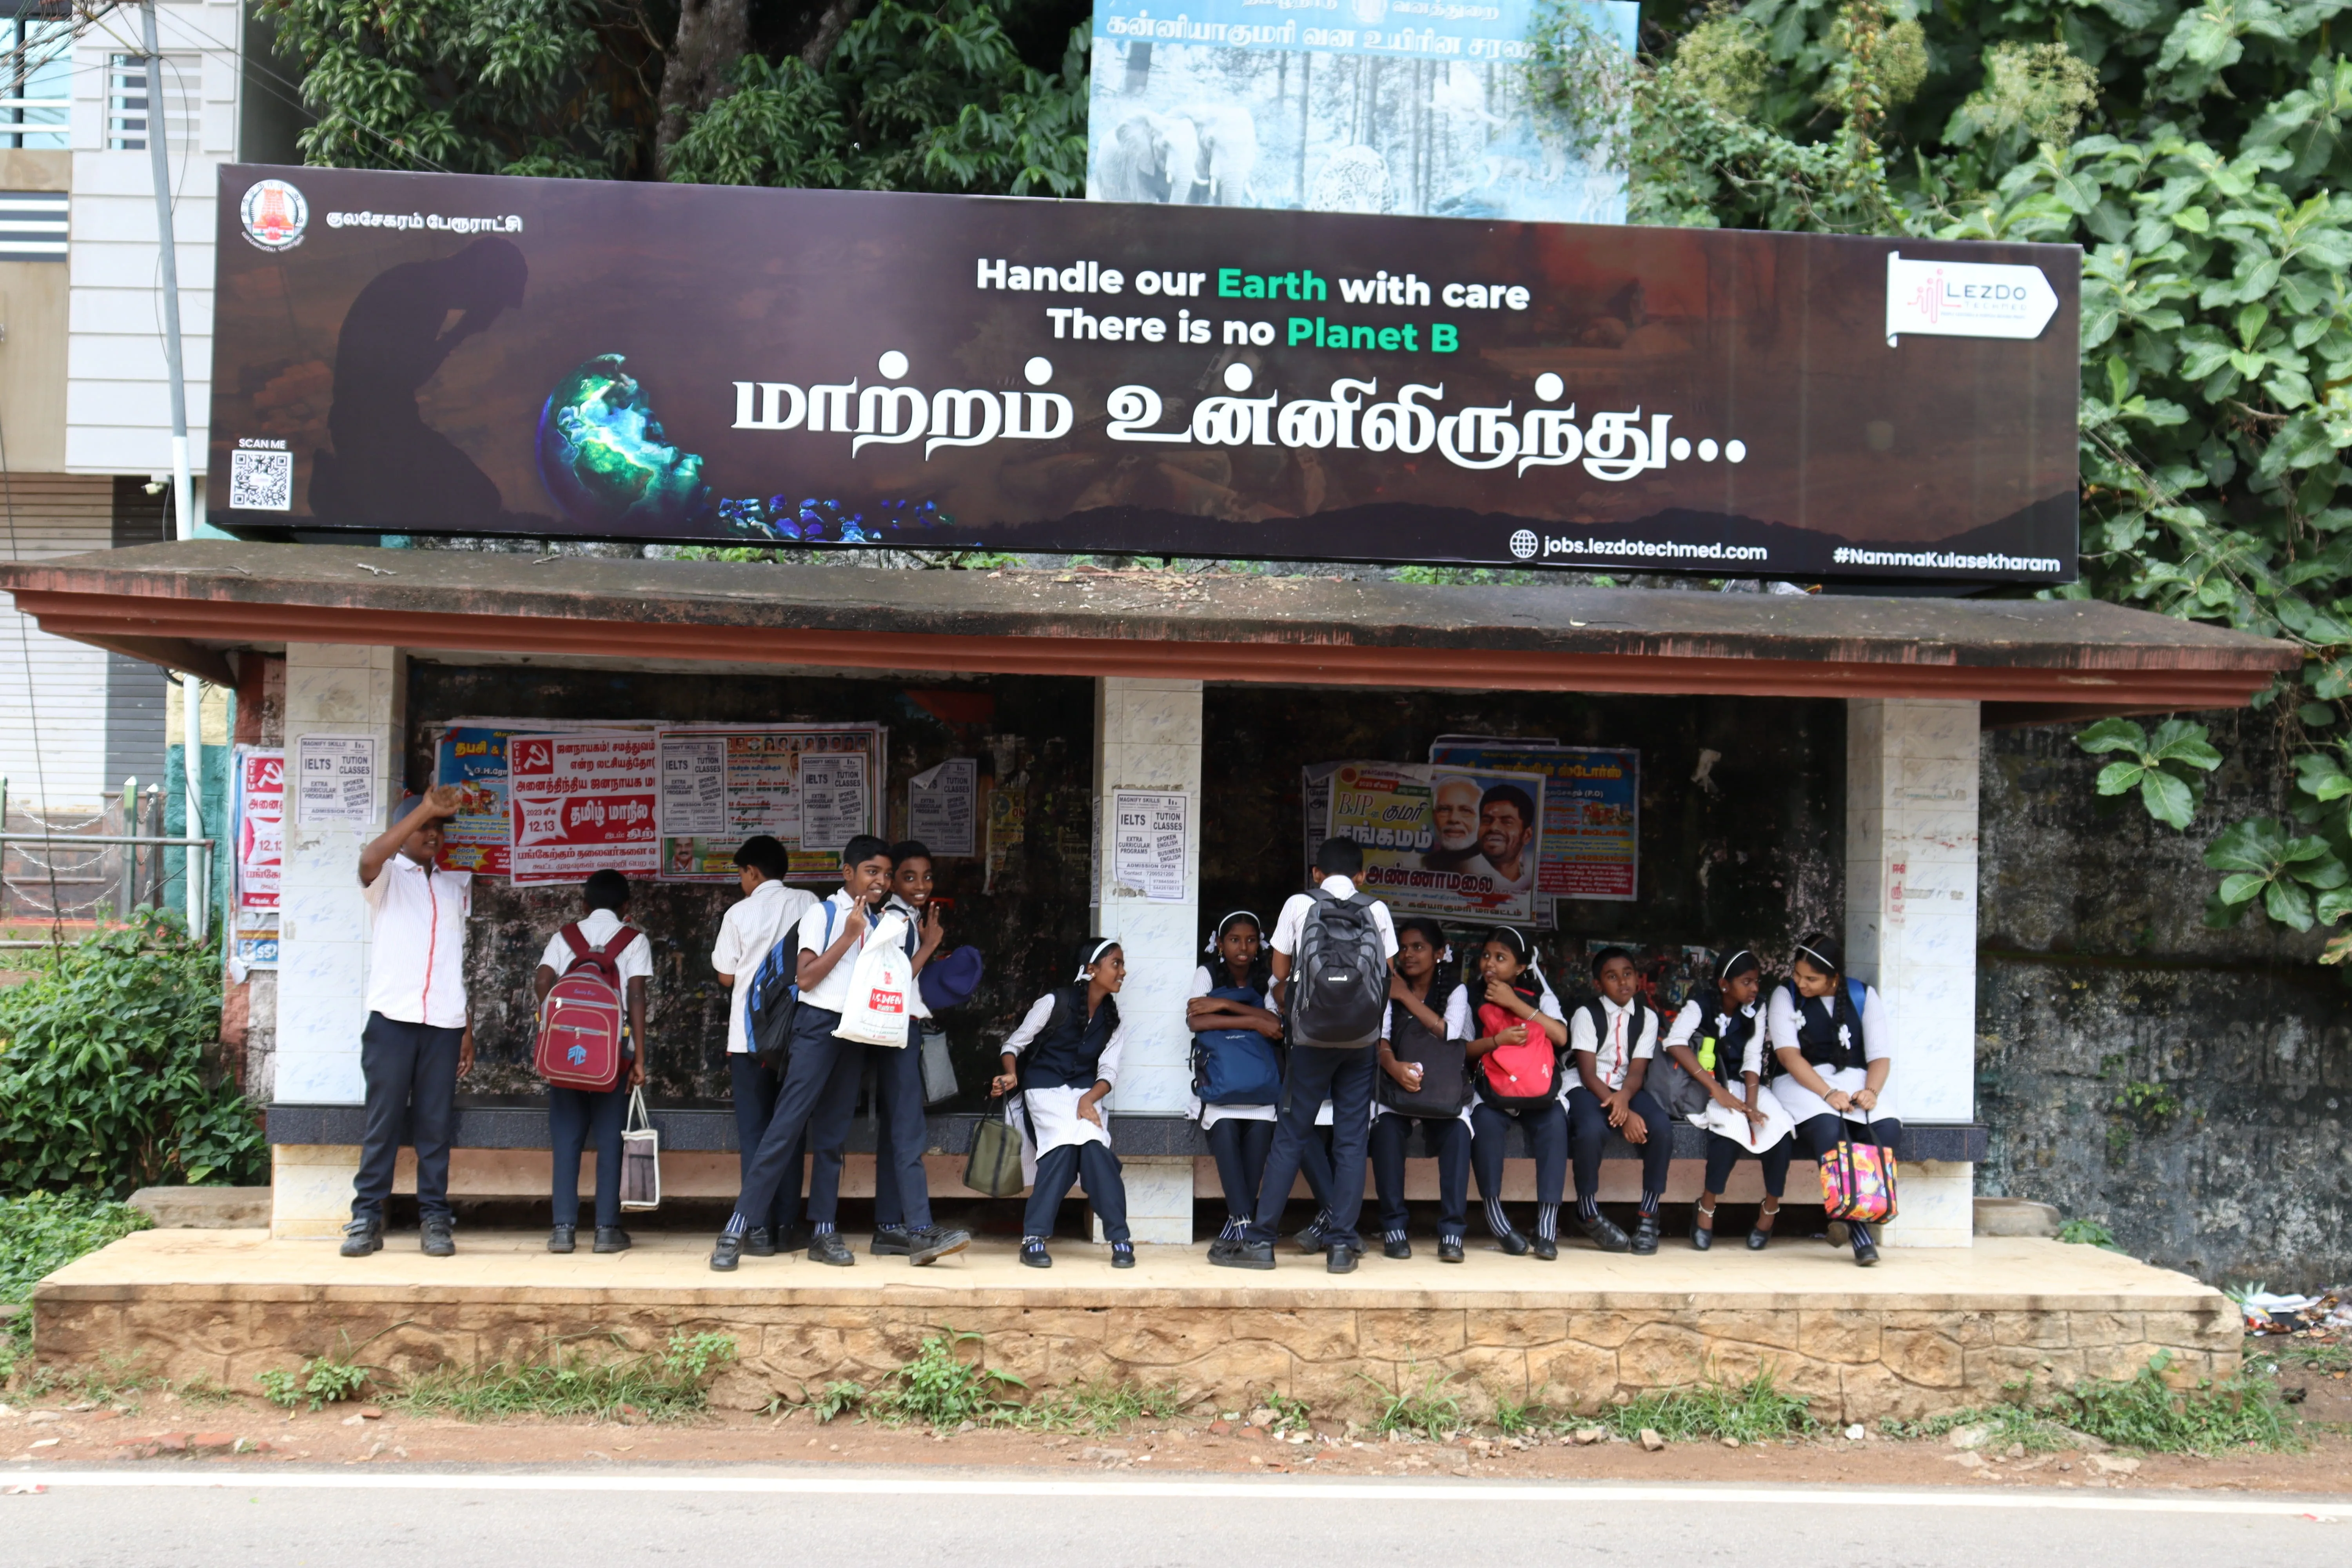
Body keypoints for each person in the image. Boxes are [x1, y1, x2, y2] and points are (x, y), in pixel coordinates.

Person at [710, 835, 970, 1271]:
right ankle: (736, 1228)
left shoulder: (883, 921)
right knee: (784, 1128)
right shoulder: (822, 913)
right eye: (873, 871)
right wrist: (849, 936)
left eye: (887, 874)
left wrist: (925, 947)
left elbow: (887, 982)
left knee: (832, 1138)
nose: (882, 881)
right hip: (816, 1029)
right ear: (848, 872)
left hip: (855, 1031)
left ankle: (824, 1232)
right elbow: (807, 977)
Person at [1211, 836, 1399, 1273]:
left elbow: (1278, 972)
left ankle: (1260, 1242)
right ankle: (1340, 1247)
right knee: (1352, 1141)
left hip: (1310, 1041)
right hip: (1361, 1042)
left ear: (1316, 873)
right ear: (1362, 876)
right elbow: (1387, 974)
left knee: (1291, 1136)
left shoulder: (1299, 903)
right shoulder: (1377, 909)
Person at [344, 787, 474, 1259]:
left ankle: (435, 1217)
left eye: (439, 829)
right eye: (424, 828)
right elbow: (368, 856)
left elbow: (452, 963)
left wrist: (466, 1027)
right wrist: (423, 808)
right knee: (383, 1123)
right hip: (392, 1023)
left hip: (443, 1024)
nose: (433, 836)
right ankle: (365, 1218)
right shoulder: (386, 879)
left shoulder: (452, 886)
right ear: (404, 832)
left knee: (435, 1127)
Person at [1186, 910, 1341, 1249]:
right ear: (1219, 944)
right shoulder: (1207, 972)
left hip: (1262, 1085)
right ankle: (1243, 1219)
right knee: (1225, 1131)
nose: (1243, 947)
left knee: (1260, 1135)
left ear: (1261, 944)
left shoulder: (1269, 979)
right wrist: (1254, 1021)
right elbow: (1197, 1021)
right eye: (1234, 940)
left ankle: (1240, 1223)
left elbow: (1276, 1026)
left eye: (1251, 940)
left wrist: (1224, 1006)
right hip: (1222, 1083)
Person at [993, 938, 1135, 1269]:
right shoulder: (1054, 1002)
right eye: (1116, 964)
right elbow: (1014, 1045)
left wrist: (1089, 1098)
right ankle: (1034, 1238)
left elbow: (1108, 1071)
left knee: (1096, 1153)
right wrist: (1011, 1075)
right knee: (1062, 1151)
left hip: (1084, 1094)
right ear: (1091, 970)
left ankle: (1121, 1239)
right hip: (1044, 1091)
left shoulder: (1115, 1018)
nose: (1122, 972)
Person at [533, 869, 651, 1255]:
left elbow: (543, 978)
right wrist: (639, 1058)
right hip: (612, 1058)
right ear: (627, 907)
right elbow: (636, 995)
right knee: (609, 1141)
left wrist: (549, 1019)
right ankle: (606, 1230)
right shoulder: (634, 940)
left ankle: (563, 1230)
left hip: (565, 1056)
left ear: (583, 905)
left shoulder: (563, 937)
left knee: (566, 1140)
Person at [710, 835, 816, 1258]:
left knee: (755, 1133)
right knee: (790, 1130)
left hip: (749, 1040)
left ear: (752, 871)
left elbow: (725, 976)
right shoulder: (809, 902)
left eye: (741, 873)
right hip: (798, 1039)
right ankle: (788, 1224)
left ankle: (756, 1228)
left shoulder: (739, 912)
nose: (741, 881)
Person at [1769, 934, 1900, 1267]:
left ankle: (1851, 1216)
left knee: (1885, 1128)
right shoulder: (1785, 996)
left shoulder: (1863, 996)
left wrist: (1870, 1092)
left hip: (1854, 1079)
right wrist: (1827, 1093)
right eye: (1798, 975)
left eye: (1811, 979)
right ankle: (1860, 1234)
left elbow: (1880, 1057)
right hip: (1803, 1082)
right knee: (1829, 1129)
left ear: (1834, 979)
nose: (1801, 983)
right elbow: (1788, 1056)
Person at [1659, 948, 1796, 1251]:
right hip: (1706, 1083)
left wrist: (1752, 1106)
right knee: (1730, 1133)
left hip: (1746, 1085)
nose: (1755, 989)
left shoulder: (1756, 1008)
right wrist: (1717, 1091)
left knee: (1780, 1131)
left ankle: (1770, 1211)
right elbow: (1674, 1042)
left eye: (1757, 982)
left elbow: (1752, 1058)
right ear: (1725, 985)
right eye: (1747, 982)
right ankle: (1706, 1207)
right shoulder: (1702, 1004)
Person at [856, 839, 949, 1256]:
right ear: (893, 880)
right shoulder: (897, 919)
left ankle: (890, 1225)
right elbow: (890, 982)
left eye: (927, 877)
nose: (921, 885)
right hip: (898, 1033)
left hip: (897, 1032)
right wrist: (929, 946)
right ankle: (920, 1229)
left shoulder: (904, 916)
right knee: (909, 1132)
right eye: (909, 877)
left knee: (897, 1132)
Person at [1370, 917, 1472, 1261]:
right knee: (1385, 1131)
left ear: (1440, 953)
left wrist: (1405, 997)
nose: (1409, 955)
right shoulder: (1389, 986)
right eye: (1405, 948)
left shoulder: (1456, 989)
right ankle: (1394, 1227)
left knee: (1458, 1133)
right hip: (1398, 1088)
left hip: (1443, 1090)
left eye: (1420, 947)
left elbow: (1451, 1032)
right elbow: (1380, 1039)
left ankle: (1452, 1233)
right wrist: (1394, 1067)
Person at [1464, 926, 1570, 1256]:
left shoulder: (1541, 996)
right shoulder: (1469, 995)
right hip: (1493, 1091)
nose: (1490, 964)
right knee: (1484, 1126)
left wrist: (1517, 1005)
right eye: (1486, 956)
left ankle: (1547, 1227)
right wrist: (1497, 1041)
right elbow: (1464, 1049)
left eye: (1501, 958)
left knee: (1555, 1125)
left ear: (1521, 967)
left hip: (1538, 1090)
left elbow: (1561, 1038)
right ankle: (1497, 1220)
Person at [1566, 946, 1673, 1255]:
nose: (1623, 982)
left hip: (1628, 1088)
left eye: (1628, 974)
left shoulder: (1648, 1017)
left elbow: (1637, 1071)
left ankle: (1649, 1214)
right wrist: (1621, 1113)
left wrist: (1624, 1101)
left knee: (1661, 1129)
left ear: (1638, 979)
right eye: (1612, 977)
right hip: (1589, 1088)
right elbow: (1587, 1074)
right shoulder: (1586, 1015)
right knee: (1590, 1131)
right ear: (1599, 985)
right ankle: (1587, 1209)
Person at [1466, 784, 1538, 894]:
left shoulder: (1532, 877)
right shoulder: (1461, 871)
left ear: (1527, 835)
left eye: (1507, 822)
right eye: (1487, 821)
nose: (1494, 827)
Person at [1421, 777, 1484, 872]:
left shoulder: (1499, 867)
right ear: (1434, 817)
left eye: (1466, 811)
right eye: (1445, 809)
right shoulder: (1422, 865)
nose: (1454, 819)